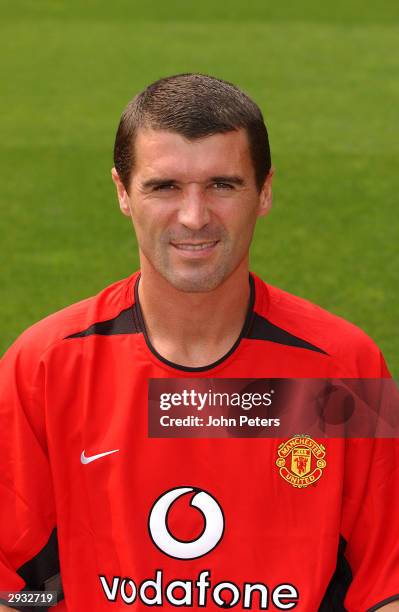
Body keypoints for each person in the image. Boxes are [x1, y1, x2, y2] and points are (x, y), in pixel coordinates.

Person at [0, 73, 398, 611]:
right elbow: (10, 586)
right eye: (164, 186)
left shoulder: (345, 367)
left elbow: (386, 583)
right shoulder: (43, 365)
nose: (194, 217)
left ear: (265, 191)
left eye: (222, 185)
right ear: (122, 192)